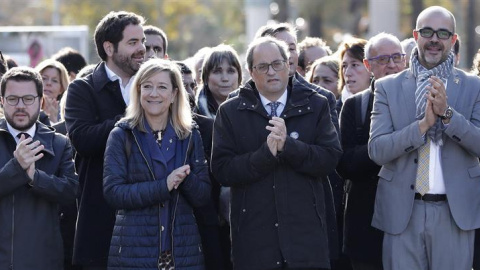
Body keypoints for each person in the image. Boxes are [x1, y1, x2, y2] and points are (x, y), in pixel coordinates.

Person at [211, 36, 342, 270]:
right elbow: (222, 170)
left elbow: (330, 158)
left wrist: (289, 147)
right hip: (254, 239)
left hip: (306, 237)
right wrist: (264, 156)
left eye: (277, 64)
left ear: (288, 66)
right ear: (251, 72)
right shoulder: (231, 111)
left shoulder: (317, 104)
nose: (271, 71)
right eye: (262, 66)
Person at [368, 6, 480, 270]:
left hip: (455, 214)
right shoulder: (387, 87)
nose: (434, 39)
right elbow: (377, 150)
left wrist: (448, 115)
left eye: (443, 33)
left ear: (453, 40)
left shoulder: (474, 86)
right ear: (416, 35)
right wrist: (421, 127)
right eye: (427, 32)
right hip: (403, 213)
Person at [103, 59, 210, 269]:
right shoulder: (121, 135)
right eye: (147, 86)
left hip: (182, 253)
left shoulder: (190, 135)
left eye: (162, 87)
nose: (154, 94)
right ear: (138, 91)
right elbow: (113, 192)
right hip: (133, 253)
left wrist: (186, 179)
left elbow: (203, 196)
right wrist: (164, 185)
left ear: (173, 95)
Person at [65, 11, 146, 270]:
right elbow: (83, 140)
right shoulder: (83, 89)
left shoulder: (154, 85)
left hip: (149, 213)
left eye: (142, 41)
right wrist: (133, 116)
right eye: (132, 43)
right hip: (101, 214)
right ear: (109, 47)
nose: (142, 49)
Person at [337, 32, 406, 270]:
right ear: (369, 65)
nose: (392, 65)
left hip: (410, 227)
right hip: (367, 229)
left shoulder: (422, 100)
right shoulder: (355, 105)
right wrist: (388, 144)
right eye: (383, 59)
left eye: (397, 57)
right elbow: (345, 164)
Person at [0, 67, 78, 269]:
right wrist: (17, 167)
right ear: (2, 101)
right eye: (12, 99)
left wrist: (35, 177)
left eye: (28, 99)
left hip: (43, 259)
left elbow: (71, 192)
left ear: (40, 101)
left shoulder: (59, 144)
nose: (20, 106)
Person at [196, 43, 242, 119]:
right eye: (217, 71)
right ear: (206, 77)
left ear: (239, 76)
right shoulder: (191, 117)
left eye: (230, 71)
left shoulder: (254, 111)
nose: (225, 78)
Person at [337, 37, 370, 111]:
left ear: (370, 67)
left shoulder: (382, 104)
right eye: (344, 66)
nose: (347, 73)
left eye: (354, 65)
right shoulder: (333, 111)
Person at [35, 59, 70, 124]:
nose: (49, 83)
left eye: (54, 80)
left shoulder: (67, 112)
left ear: (61, 89)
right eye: (44, 78)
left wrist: (53, 119)